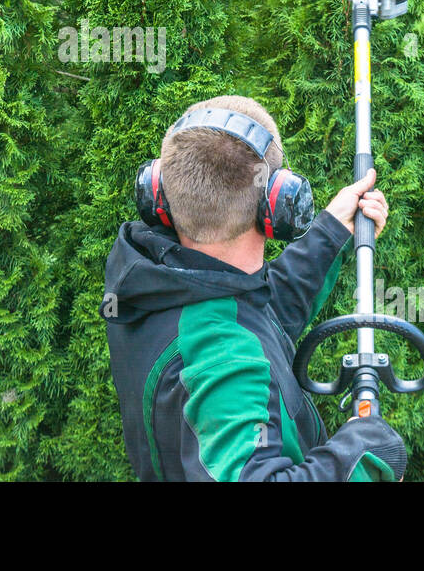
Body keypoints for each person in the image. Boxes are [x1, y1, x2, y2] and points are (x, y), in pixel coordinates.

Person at [103, 94, 407, 481]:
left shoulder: (158, 283)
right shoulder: (225, 360)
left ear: (157, 192)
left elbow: (259, 311)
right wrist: (365, 459)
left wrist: (333, 230)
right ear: (277, 206)